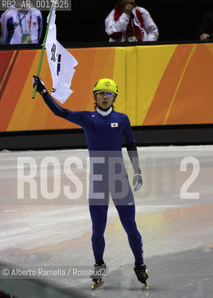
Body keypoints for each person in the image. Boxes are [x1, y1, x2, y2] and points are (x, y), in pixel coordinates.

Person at [32, 76, 149, 289]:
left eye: (109, 94)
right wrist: (43, 92)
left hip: (119, 180)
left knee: (131, 227)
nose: (105, 97)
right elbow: (60, 112)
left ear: (115, 97)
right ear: (94, 96)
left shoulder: (122, 119)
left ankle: (140, 265)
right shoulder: (87, 118)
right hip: (98, 182)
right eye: (101, 93)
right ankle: (98, 265)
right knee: (97, 230)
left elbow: (130, 144)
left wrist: (138, 170)